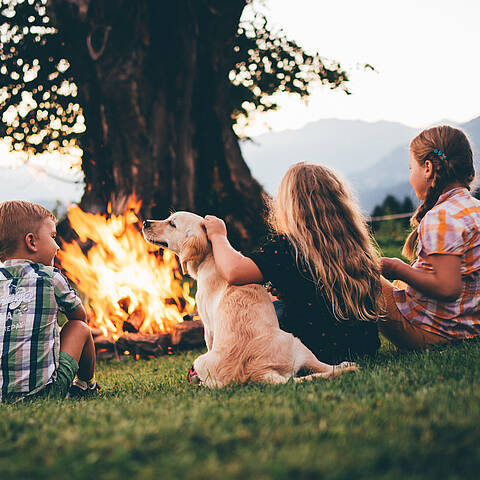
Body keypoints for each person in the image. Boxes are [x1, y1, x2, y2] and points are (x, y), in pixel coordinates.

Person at [203, 163, 382, 364]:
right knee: (277, 303)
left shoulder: (289, 247)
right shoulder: (355, 244)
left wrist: (218, 236)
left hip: (313, 352)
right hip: (364, 348)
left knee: (264, 314)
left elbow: (234, 271)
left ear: (290, 207)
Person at [379, 125, 480, 348]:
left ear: (427, 168)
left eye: (410, 168)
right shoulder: (474, 209)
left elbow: (447, 287)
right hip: (468, 327)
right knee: (397, 284)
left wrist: (396, 267)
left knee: (362, 278)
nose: (410, 176)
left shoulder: (441, 217)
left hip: (433, 332)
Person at [0, 200, 99, 402]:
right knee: (79, 327)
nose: (58, 246)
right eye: (53, 237)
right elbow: (80, 316)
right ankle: (85, 383)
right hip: (44, 393)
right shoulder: (50, 277)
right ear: (32, 242)